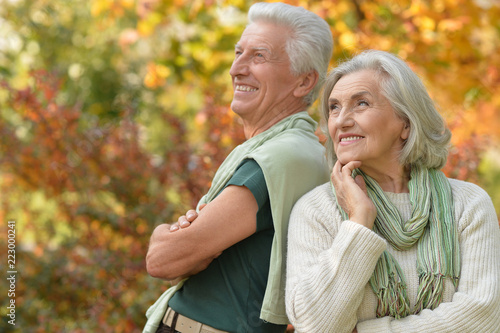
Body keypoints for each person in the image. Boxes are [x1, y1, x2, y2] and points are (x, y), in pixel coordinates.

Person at [143, 3, 333, 333]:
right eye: (238, 53)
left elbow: (163, 260)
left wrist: (166, 236)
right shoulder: (297, 149)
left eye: (258, 56)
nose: (236, 69)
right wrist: (192, 247)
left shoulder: (280, 157)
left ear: (304, 82)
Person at [285, 50, 500, 333]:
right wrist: (359, 221)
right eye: (334, 107)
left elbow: (482, 318)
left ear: (406, 123)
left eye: (361, 103)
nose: (341, 120)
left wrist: (369, 331)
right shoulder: (315, 210)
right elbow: (315, 325)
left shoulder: (468, 204)